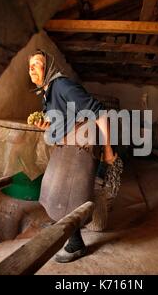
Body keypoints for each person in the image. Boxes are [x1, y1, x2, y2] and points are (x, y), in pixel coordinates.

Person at [28, 49, 116, 263]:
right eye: (29, 66)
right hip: (65, 143)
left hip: (80, 144)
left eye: (37, 63)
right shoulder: (47, 92)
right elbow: (59, 120)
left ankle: (76, 243)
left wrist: (107, 150)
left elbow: (99, 112)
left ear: (48, 67)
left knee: (70, 195)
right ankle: (61, 222)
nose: (31, 69)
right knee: (50, 186)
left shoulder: (62, 85)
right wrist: (45, 125)